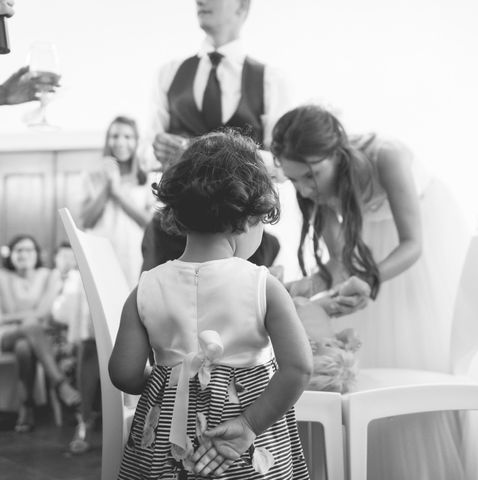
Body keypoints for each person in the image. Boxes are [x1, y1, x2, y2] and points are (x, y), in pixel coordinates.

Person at [271, 105, 469, 479]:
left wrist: (369, 278)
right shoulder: (316, 189)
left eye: (311, 176)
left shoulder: (386, 156)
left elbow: (412, 244)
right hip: (371, 253)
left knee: (421, 349)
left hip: (419, 246)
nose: (305, 189)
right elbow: (341, 262)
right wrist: (302, 286)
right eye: (295, 180)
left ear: (336, 156)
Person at [109, 132, 312, 479]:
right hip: (240, 449)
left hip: (167, 450)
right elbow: (299, 369)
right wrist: (249, 423)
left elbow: (124, 373)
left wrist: (168, 383)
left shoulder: (146, 288)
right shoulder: (265, 286)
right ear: (251, 216)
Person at [140, 0, 296, 274]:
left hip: (242, 235)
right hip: (174, 231)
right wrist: (157, 151)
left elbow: (284, 164)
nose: (200, 1)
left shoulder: (271, 80)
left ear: (241, 8)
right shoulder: (168, 74)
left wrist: (197, 150)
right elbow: (143, 155)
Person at [0, 234, 80, 432]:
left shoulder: (48, 275)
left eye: (29, 249)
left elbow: (44, 312)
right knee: (31, 325)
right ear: (11, 255)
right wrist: (27, 318)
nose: (23, 254)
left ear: (37, 254)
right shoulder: (2, 276)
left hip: (36, 338)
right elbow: (10, 314)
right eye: (18, 250)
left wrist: (18, 318)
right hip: (6, 335)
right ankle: (60, 383)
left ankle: (26, 408)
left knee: (24, 347)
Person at [80, 116, 155, 288]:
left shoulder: (149, 178)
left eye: (128, 137)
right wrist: (108, 185)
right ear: (108, 140)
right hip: (100, 253)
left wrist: (118, 193)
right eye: (114, 136)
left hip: (134, 255)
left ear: (136, 141)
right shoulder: (91, 177)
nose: (120, 142)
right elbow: (86, 221)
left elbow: (150, 222)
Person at [51, 242, 99, 454]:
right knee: (88, 343)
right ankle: (85, 419)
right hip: (96, 256)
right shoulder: (65, 277)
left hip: (130, 254)